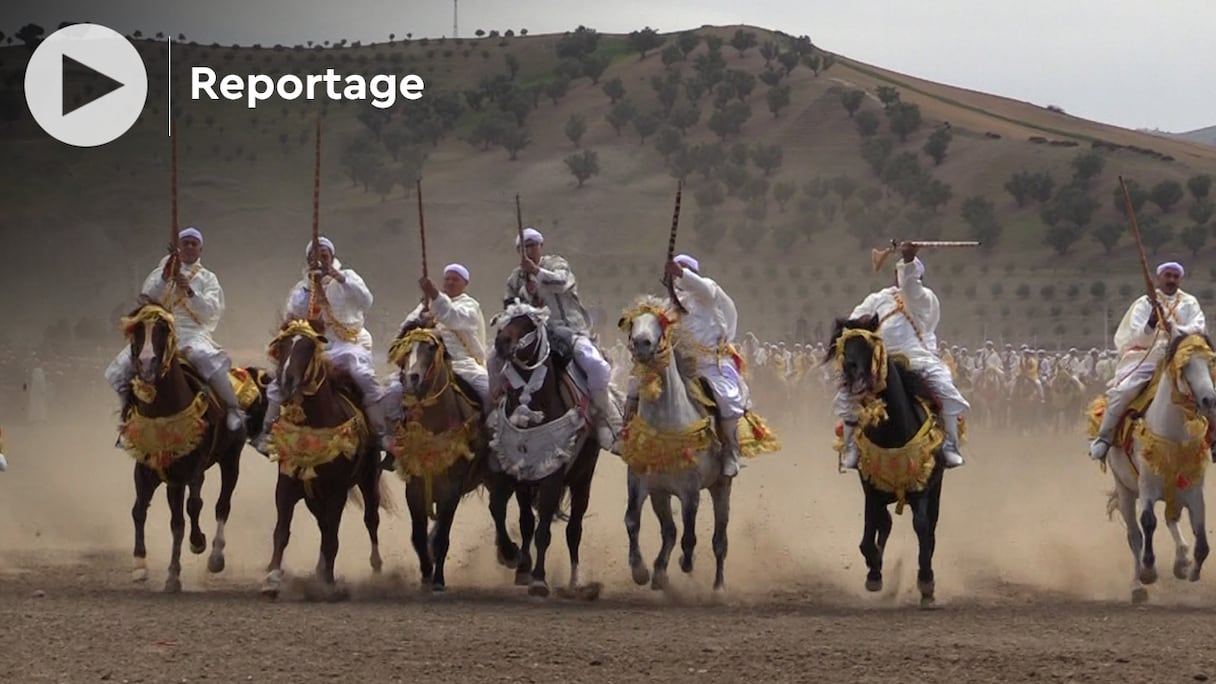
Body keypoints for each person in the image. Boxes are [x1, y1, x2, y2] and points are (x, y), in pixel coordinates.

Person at [835, 242, 968, 469]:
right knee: (847, 393)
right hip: (879, 361)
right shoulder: (877, 298)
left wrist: (908, 261)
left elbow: (911, 288)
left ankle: (949, 445)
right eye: (899, 273)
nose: (902, 278)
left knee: (946, 390)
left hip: (916, 358)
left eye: (908, 274)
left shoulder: (924, 298)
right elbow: (855, 320)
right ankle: (851, 446)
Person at [252, 237, 388, 455]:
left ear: (332, 257)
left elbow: (366, 301)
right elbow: (294, 313)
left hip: (348, 343)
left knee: (362, 375)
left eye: (324, 255)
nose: (321, 259)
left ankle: (381, 432)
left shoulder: (348, 277)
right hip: (317, 347)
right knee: (282, 378)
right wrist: (310, 286)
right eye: (315, 256)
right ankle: (267, 431)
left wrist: (339, 278)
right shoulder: (303, 287)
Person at [103, 227, 244, 432]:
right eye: (185, 242)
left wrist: (189, 291)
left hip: (192, 333)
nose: (189, 246)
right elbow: (146, 300)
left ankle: (232, 409)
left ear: (200, 249)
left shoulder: (208, 278)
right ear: (178, 247)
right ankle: (127, 414)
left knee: (207, 360)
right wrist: (164, 278)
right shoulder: (160, 273)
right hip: (160, 331)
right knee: (120, 369)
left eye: (193, 243)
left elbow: (211, 312)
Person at [493, 226, 622, 452]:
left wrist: (537, 274)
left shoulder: (556, 263)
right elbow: (510, 307)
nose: (529, 250)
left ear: (541, 246)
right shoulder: (514, 278)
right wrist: (528, 293)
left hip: (568, 329)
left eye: (533, 245)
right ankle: (495, 419)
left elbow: (562, 282)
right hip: (532, 334)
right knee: (494, 360)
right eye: (524, 247)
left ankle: (605, 420)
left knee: (596, 365)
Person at [1089, 261, 1207, 460]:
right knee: (1124, 391)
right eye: (1167, 275)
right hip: (1149, 358)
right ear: (1159, 278)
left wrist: (1175, 330)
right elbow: (1138, 337)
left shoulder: (1190, 302)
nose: (1171, 279)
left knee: (1207, 392)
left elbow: (1199, 327)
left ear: (1180, 279)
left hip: (1182, 358)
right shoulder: (1145, 303)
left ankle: (1212, 440)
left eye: (1175, 276)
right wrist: (1151, 323)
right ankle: (1104, 438)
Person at [660, 253, 750, 478]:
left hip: (708, 364)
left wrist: (680, 273)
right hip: (676, 366)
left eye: (682, 270)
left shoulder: (707, 292)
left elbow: (704, 288)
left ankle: (730, 449)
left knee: (727, 400)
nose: (677, 276)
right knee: (639, 389)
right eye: (675, 271)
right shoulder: (670, 304)